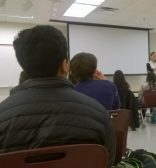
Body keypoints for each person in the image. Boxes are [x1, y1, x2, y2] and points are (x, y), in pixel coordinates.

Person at [0, 25, 116, 167]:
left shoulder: (2, 116)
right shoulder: (99, 115)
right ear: (65, 65)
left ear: (23, 65)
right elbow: (107, 162)